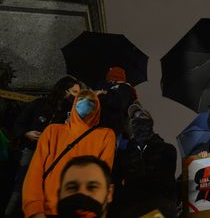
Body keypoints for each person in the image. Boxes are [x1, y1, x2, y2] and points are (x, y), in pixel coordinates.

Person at [22, 89, 116, 218]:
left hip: (83, 211)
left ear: (97, 107)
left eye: (92, 101)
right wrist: (35, 210)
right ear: (74, 104)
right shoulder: (52, 131)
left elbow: (102, 178)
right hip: (48, 210)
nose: (86, 103)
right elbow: (35, 173)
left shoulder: (106, 135)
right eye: (81, 99)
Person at [4, 76, 80, 217]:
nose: (76, 97)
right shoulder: (39, 104)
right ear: (64, 91)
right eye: (74, 92)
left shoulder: (71, 114)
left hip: (51, 157)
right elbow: (19, 123)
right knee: (20, 188)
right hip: (32, 151)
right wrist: (27, 133)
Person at [111, 103, 177, 218]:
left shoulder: (167, 149)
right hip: (131, 208)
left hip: (160, 208)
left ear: (150, 122)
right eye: (133, 118)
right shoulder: (123, 154)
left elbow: (168, 180)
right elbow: (116, 181)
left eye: (142, 116)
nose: (137, 120)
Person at [97, 67, 137, 143]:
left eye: (109, 79)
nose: (109, 82)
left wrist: (101, 95)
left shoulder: (123, 88)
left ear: (114, 78)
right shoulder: (125, 89)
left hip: (117, 129)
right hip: (117, 128)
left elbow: (115, 103)